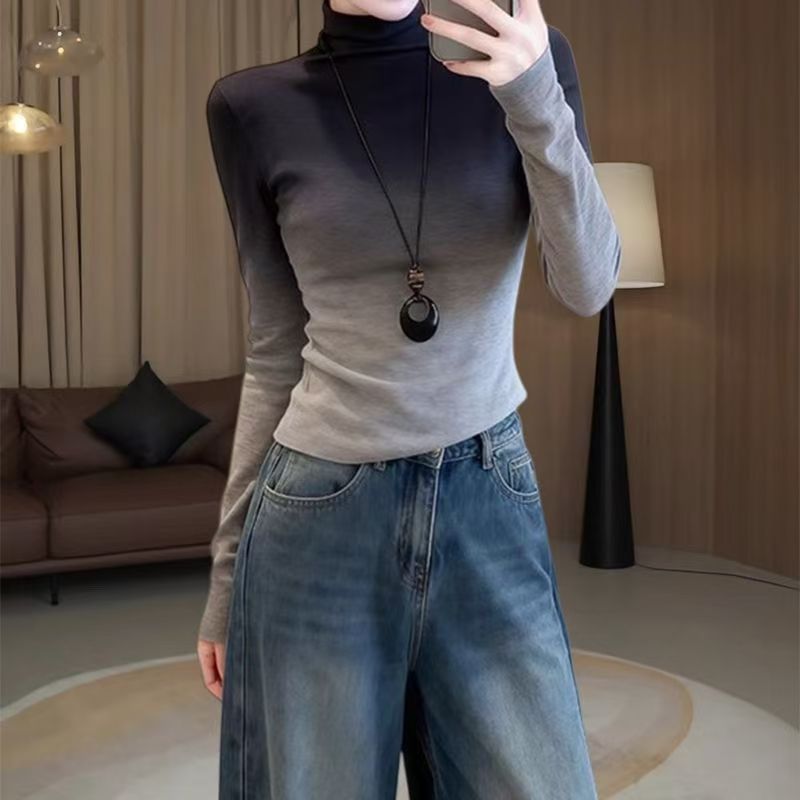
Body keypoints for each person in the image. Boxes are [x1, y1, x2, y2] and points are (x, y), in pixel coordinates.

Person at [197, 0, 620, 797]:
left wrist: (533, 96)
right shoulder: (251, 107)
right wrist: (228, 579)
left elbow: (588, 283)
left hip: (487, 495)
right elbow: (276, 346)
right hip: (316, 512)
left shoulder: (525, 61)